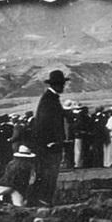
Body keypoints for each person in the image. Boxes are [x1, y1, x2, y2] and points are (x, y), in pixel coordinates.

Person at [28, 69, 70, 207]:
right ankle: (42, 201)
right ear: (55, 85)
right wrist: (50, 141)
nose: (63, 87)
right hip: (48, 146)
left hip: (50, 144)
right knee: (48, 174)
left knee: (48, 174)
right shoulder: (48, 100)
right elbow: (45, 122)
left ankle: (43, 201)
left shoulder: (51, 99)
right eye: (61, 84)